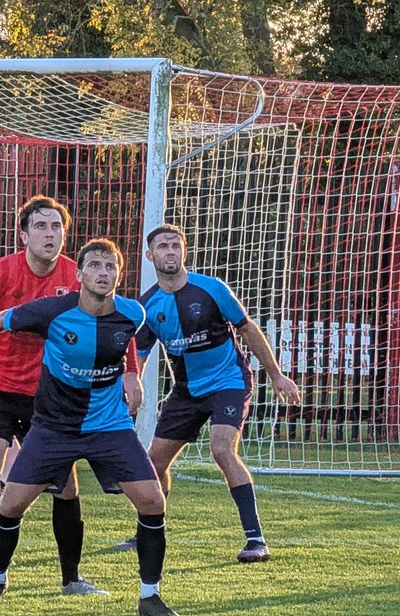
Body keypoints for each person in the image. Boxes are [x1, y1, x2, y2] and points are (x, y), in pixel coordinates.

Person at [0, 239, 177, 616]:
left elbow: (126, 342)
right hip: (54, 427)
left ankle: (150, 597)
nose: (103, 272)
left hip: (109, 427)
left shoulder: (133, 313)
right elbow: (5, 318)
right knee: (10, 506)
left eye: (110, 267)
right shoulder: (53, 311)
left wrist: (131, 374)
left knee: (153, 501)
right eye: (95, 266)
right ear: (80, 274)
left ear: (119, 275)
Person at [0, 195, 106, 597]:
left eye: (56, 227)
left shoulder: (77, 276)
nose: (50, 234)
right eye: (40, 226)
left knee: (65, 486)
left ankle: (72, 579)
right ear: (24, 235)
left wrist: (128, 374)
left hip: (50, 393)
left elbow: (113, 317)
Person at [117, 224, 300, 562]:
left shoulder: (211, 288)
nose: (170, 251)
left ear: (184, 251)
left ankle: (256, 540)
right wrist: (132, 388)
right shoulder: (148, 305)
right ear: (150, 256)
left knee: (221, 449)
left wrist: (276, 375)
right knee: (154, 462)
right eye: (162, 246)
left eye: (175, 245)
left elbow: (247, 329)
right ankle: (148, 532)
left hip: (228, 381)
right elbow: (138, 357)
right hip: (186, 391)